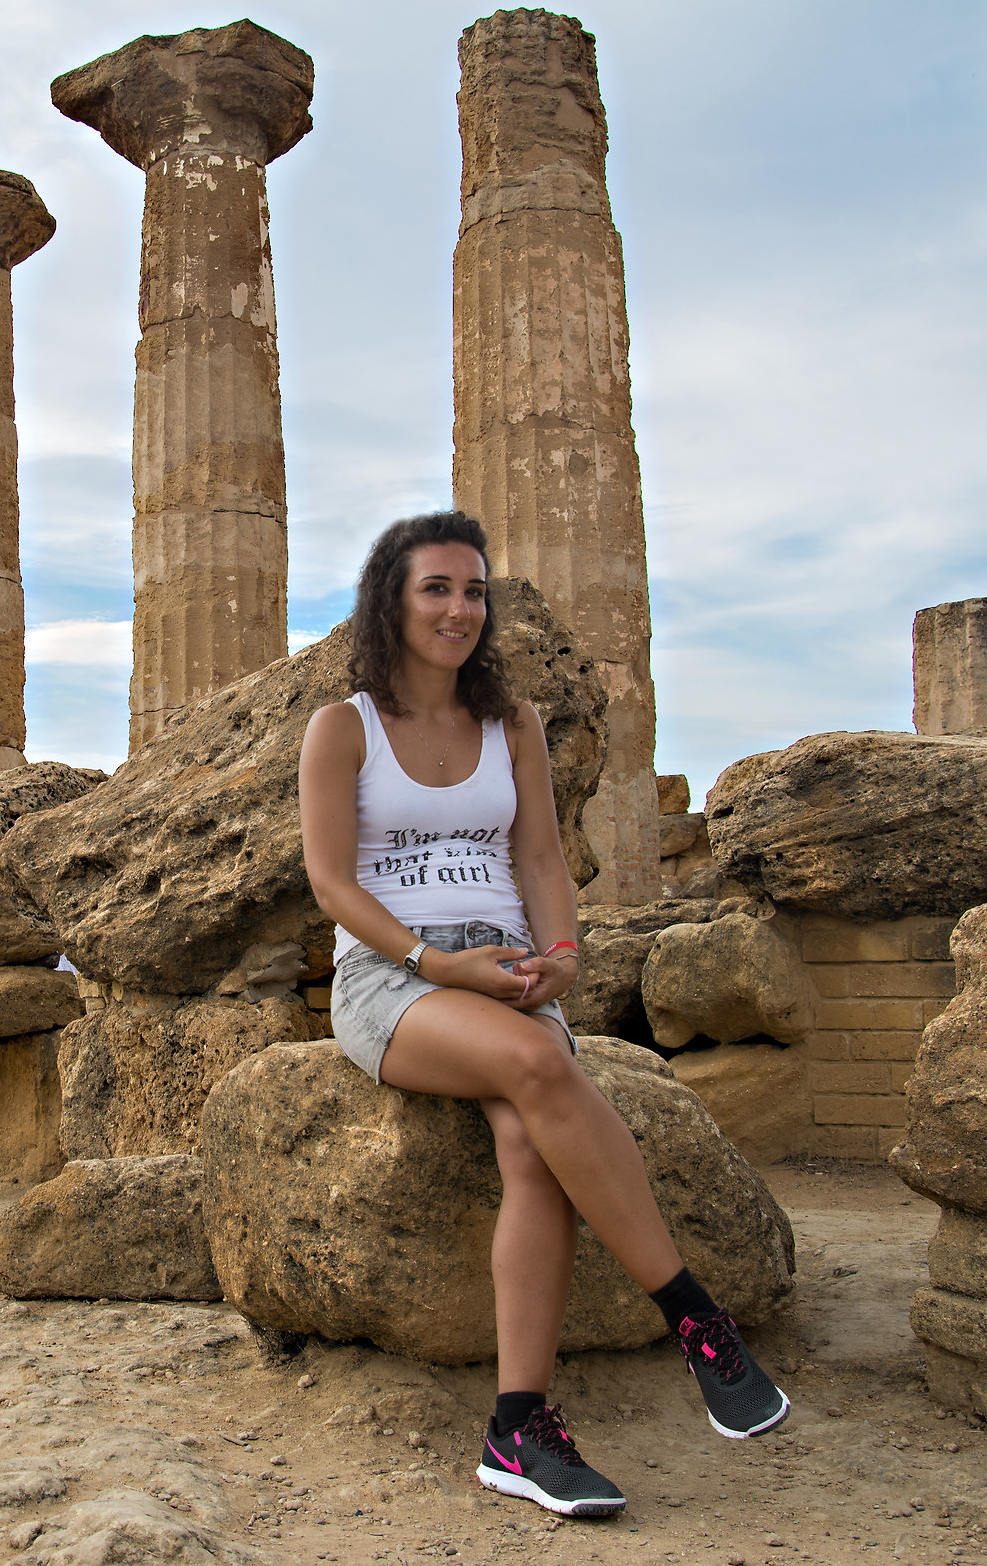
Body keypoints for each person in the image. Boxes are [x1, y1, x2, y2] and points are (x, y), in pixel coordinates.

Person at [297, 510, 787, 1519]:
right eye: (437, 587)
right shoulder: (343, 727)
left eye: (474, 590)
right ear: (391, 599)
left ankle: (518, 1425)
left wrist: (562, 955)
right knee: (540, 1071)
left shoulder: (511, 724)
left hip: (508, 963)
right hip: (395, 969)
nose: (459, 608)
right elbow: (332, 883)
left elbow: (540, 861)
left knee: (531, 1146)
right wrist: (441, 963)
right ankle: (695, 1317)